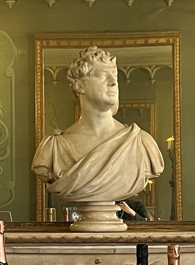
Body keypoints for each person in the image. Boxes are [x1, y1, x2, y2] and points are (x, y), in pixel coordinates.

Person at [32, 46, 163, 205]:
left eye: (114, 76)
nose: (113, 82)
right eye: (103, 75)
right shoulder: (53, 149)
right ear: (80, 85)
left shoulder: (141, 144)